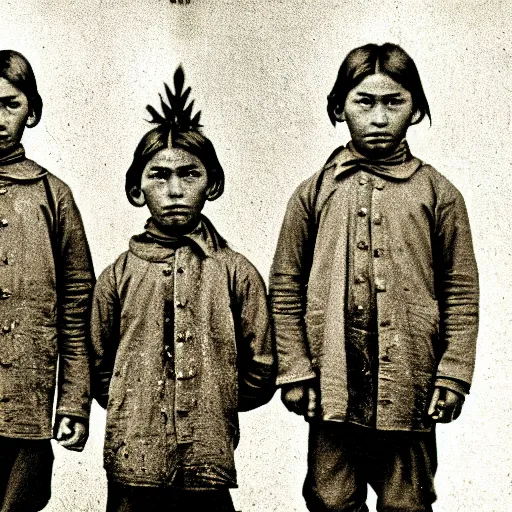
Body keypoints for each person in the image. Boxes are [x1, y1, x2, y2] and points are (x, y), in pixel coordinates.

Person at [269, 43, 479, 512]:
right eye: (365, 102)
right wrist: (296, 370)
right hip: (332, 384)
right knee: (331, 498)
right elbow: (284, 287)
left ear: (416, 108)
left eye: (394, 102)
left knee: (407, 502)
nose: (379, 117)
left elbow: (460, 293)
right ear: (339, 107)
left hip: (412, 385)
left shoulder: (440, 195)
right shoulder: (313, 193)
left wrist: (453, 374)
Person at [90, 66, 275, 512]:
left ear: (212, 183)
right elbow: (99, 365)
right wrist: (133, 404)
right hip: (133, 459)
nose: (174, 189)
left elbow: (261, 367)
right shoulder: (118, 275)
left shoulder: (236, 272)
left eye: (189, 175)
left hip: (207, 459)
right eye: (159, 176)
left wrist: (217, 400)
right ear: (137, 189)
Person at [0, 50, 94, 511]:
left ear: (31, 112)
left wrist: (74, 402)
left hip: (26, 407)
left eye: (9, 104)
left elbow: (78, 307)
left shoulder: (53, 196)